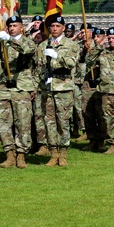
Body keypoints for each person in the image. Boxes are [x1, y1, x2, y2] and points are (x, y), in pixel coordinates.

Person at [0, 15, 37, 169]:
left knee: (22, 122)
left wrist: (9, 40)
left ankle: (21, 154)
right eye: (10, 26)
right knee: (3, 122)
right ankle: (9, 154)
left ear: (22, 28)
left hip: (21, 86)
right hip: (4, 86)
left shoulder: (27, 41)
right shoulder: (4, 41)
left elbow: (27, 50)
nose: (12, 29)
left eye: (15, 26)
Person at [36, 15, 80, 167]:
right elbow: (38, 66)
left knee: (63, 121)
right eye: (52, 26)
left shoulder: (70, 45)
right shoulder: (43, 45)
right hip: (47, 88)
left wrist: (58, 56)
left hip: (63, 87)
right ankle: (53, 153)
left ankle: (63, 154)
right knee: (49, 121)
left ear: (63, 28)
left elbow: (71, 63)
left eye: (57, 26)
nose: (54, 29)